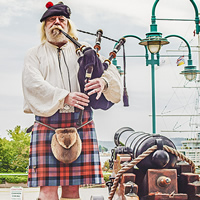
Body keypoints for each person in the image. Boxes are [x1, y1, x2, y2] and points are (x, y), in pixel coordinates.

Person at [22, 1, 122, 200]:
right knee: (47, 189)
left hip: (80, 121)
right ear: (45, 26)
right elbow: (32, 84)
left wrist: (103, 82)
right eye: (51, 20)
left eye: (62, 20)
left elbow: (111, 72)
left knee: (72, 189)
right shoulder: (34, 54)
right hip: (47, 121)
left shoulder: (84, 50)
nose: (57, 23)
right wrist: (64, 96)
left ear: (69, 25)